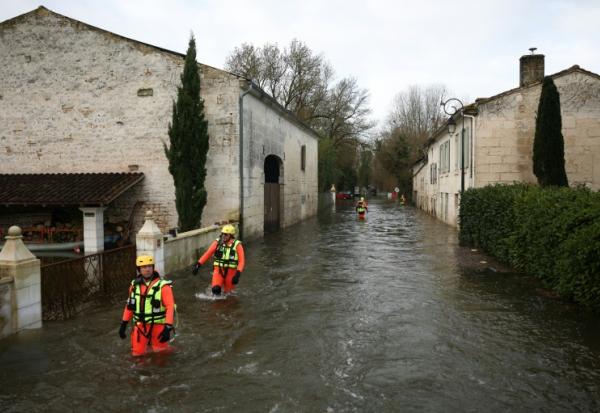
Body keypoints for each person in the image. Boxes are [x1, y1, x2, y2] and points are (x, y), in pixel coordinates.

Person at [118, 255, 176, 356]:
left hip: (158, 326)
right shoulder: (134, 286)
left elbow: (170, 307)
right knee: (137, 355)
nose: (147, 269)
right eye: (144, 267)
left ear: (153, 268)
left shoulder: (163, 286)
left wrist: (167, 327)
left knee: (161, 354)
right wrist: (123, 324)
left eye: (150, 266)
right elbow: (129, 306)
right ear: (139, 269)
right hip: (140, 326)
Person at [192, 224, 245, 296]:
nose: (224, 236)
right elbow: (208, 253)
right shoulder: (217, 243)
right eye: (222, 234)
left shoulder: (237, 245)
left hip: (231, 273)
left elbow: (241, 261)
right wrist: (198, 265)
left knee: (229, 295)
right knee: (215, 290)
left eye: (226, 234)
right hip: (218, 271)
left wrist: (237, 275)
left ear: (231, 236)